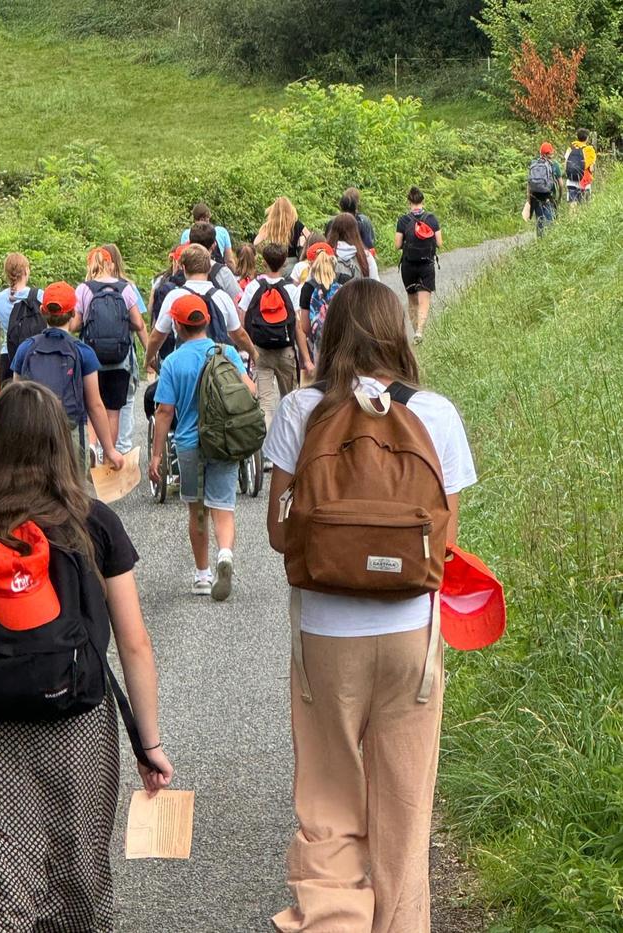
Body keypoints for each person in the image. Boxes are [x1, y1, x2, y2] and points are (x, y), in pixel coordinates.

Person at [264, 278, 476, 933]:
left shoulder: (302, 409)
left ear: (330, 333)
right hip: (411, 634)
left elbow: (277, 531)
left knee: (329, 798)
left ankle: (334, 921)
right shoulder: (435, 412)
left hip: (325, 633)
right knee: (404, 808)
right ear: (397, 333)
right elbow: (446, 542)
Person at [0, 380, 173, 933]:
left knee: (2, 893)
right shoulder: (95, 523)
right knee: (80, 883)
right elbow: (135, 642)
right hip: (80, 729)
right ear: (61, 441)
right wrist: (148, 743)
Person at [148, 294, 257, 600]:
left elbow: (164, 412)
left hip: (188, 444)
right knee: (223, 506)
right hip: (223, 440)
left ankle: (201, 575)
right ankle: (225, 554)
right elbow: (249, 391)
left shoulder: (172, 362)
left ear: (178, 327)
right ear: (207, 321)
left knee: (196, 511)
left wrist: (156, 456)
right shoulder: (226, 352)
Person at [11, 281, 124, 472]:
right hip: (69, 430)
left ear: (42, 310)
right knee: (72, 493)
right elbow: (95, 405)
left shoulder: (26, 348)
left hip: (32, 432)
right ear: (73, 313)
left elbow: (15, 400)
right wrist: (110, 450)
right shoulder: (82, 352)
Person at [73, 247, 149, 450]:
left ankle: (92, 448)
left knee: (93, 405)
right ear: (110, 264)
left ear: (91, 264)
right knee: (114, 410)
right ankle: (109, 454)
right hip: (119, 358)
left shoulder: (84, 289)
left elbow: (75, 324)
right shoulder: (126, 288)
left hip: (92, 359)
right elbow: (139, 324)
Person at [240, 242, 314, 431]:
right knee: (290, 401)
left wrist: (246, 349)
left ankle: (266, 450)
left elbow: (242, 320)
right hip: (286, 351)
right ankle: (290, 443)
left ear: (263, 263)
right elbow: (298, 327)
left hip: (260, 351)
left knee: (265, 404)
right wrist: (306, 359)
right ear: (284, 264)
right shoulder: (291, 289)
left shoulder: (253, 287)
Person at [146, 244, 258, 366]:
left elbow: (157, 336)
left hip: (185, 364)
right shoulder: (222, 297)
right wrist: (254, 354)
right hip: (216, 367)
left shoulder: (174, 297)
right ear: (209, 268)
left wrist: (149, 358)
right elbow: (239, 334)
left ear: (183, 267)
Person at [102, 243, 148, 455]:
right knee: (127, 400)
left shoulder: (88, 287)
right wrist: (150, 352)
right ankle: (123, 449)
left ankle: (101, 451)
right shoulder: (128, 287)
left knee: (99, 402)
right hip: (123, 355)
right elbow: (139, 324)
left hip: (95, 356)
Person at [0, 253, 44, 385]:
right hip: (36, 357)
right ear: (25, 270)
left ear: (6, 274)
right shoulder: (40, 296)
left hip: (8, 359)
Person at [395, 187, 442, 345]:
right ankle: (420, 331)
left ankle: (415, 329)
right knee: (424, 301)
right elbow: (440, 243)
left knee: (412, 299)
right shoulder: (432, 219)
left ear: (409, 202)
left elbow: (397, 245)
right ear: (423, 201)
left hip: (408, 265)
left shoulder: (403, 220)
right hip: (426, 264)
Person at [299, 244, 338, 359]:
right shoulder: (345, 281)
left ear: (310, 264)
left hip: (320, 346)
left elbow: (305, 327)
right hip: (345, 343)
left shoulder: (308, 288)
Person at [188, 222, 243, 301]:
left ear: (190, 244)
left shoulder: (181, 271)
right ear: (214, 245)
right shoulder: (223, 273)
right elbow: (238, 300)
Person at [254, 197, 310, 274]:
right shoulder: (297, 224)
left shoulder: (269, 226)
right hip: (292, 265)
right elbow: (310, 239)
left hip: (273, 264)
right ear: (291, 209)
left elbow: (256, 243)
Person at [180, 201, 236, 270]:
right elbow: (229, 260)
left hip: (194, 271)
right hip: (215, 272)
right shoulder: (221, 232)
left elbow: (183, 258)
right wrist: (236, 274)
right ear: (203, 219)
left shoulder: (186, 234)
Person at [327, 212, 380, 282]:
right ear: (355, 231)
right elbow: (375, 284)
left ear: (333, 231)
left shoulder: (326, 254)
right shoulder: (365, 256)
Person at [527, 142, 563, 237]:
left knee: (540, 221)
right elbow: (561, 184)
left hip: (535, 197)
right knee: (550, 222)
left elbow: (529, 183)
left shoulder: (533, 164)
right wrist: (559, 197)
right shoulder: (554, 165)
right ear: (549, 153)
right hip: (549, 198)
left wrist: (529, 200)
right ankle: (550, 243)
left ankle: (540, 242)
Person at [564, 128, 596, 205]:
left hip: (571, 180)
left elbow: (565, 165)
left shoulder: (571, 148)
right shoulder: (589, 150)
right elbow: (591, 169)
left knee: (573, 204)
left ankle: (572, 217)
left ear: (577, 137)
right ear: (587, 138)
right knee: (585, 206)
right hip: (585, 182)